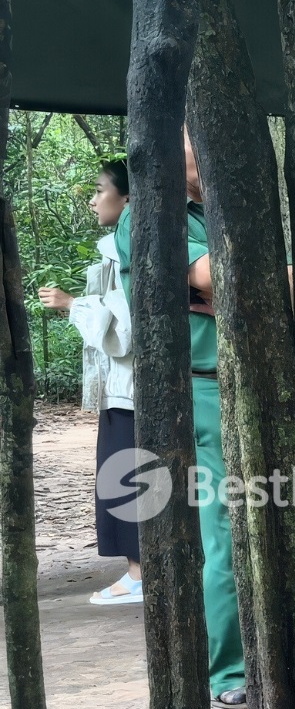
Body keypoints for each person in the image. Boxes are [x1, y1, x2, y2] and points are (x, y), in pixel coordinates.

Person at [110, 137, 244, 706]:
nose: (209, 152)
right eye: (195, 142)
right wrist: (223, 286)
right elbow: (225, 274)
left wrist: (228, 288)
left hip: (238, 382)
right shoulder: (148, 212)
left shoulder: (214, 209)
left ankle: (246, 656)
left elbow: (266, 282)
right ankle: (230, 673)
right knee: (224, 526)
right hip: (197, 387)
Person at [41, 160, 143, 607]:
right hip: (122, 388)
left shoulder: (134, 247)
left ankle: (142, 576)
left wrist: (72, 304)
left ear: (127, 199)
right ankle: (140, 572)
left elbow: (127, 325)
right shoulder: (117, 246)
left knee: (130, 477)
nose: (92, 199)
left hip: (135, 389)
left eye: (100, 190)